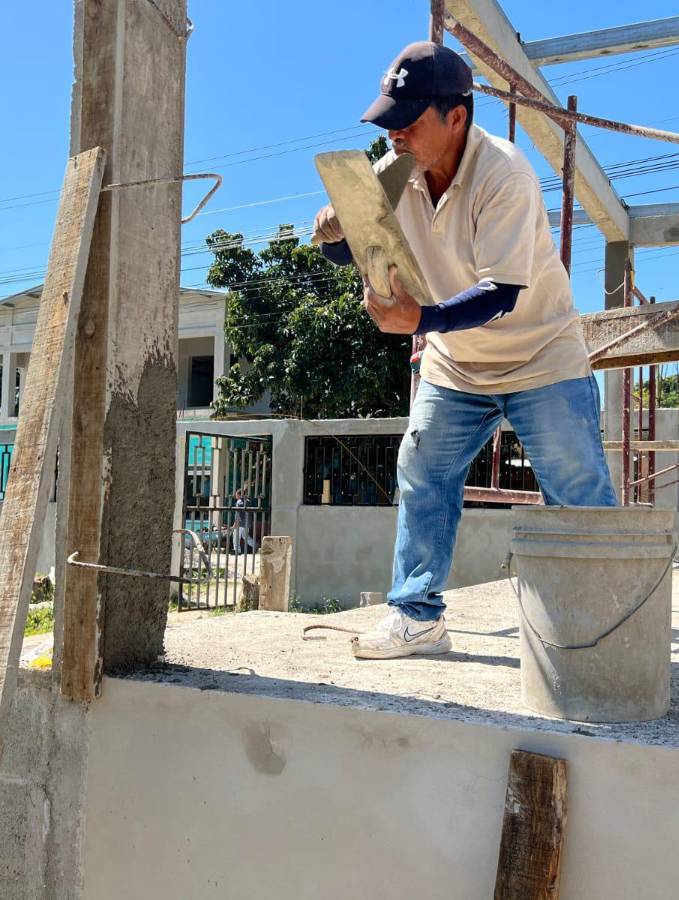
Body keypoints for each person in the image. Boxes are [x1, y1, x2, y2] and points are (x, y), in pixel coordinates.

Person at [313, 41, 616, 660]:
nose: (394, 134)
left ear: (456, 117)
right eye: (388, 121)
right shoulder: (391, 172)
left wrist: (420, 318)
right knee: (424, 473)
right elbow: (354, 249)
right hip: (457, 363)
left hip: (541, 355)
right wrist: (333, 234)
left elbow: (500, 294)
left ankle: (604, 626)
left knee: (576, 488)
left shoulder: (504, 173)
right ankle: (417, 617)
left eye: (409, 121)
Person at [231, 486, 257, 555]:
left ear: (239, 495)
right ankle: (255, 545)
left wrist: (234, 524)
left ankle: (237, 551)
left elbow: (237, 514)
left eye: (236, 494)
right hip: (248, 523)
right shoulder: (248, 501)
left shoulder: (239, 502)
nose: (235, 496)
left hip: (240, 523)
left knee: (236, 536)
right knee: (245, 536)